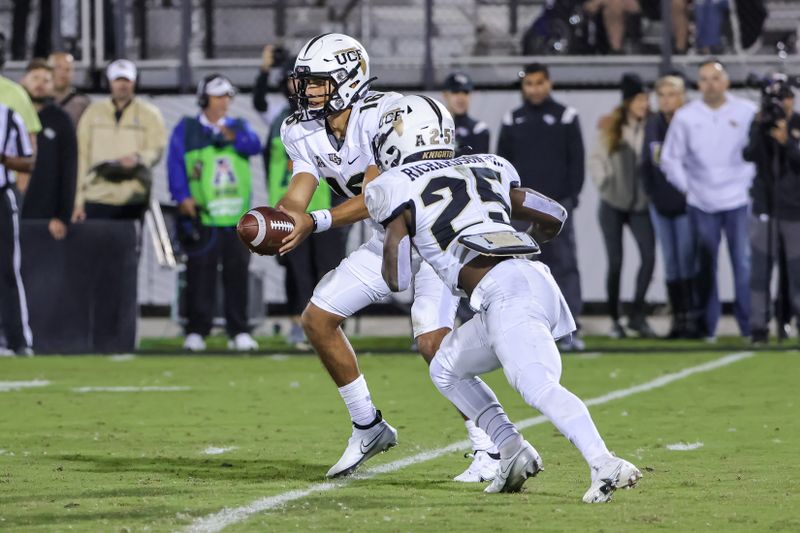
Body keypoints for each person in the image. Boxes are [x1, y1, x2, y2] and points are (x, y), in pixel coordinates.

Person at [365, 94, 642, 500]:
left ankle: (604, 462)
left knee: (537, 385)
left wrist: (399, 237)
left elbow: (397, 280)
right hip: (526, 281)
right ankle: (511, 450)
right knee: (445, 367)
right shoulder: (487, 165)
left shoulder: (394, 187)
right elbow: (553, 214)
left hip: (507, 293)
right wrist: (518, 243)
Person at [276, 33, 500, 482]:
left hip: (429, 233)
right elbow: (300, 190)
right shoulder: (298, 128)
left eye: (318, 82)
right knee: (318, 318)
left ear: (347, 79)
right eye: (305, 83)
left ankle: (491, 446)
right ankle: (368, 426)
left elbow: (379, 196)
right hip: (387, 240)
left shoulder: (389, 114)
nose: (307, 92)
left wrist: (314, 223)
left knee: (433, 342)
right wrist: (276, 223)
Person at [254, 55, 346, 349]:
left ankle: (327, 326)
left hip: (323, 204)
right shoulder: (280, 119)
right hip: (291, 207)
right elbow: (259, 104)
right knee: (297, 272)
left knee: (327, 269)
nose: (299, 86)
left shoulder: (325, 116)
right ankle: (299, 324)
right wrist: (264, 69)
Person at [661, 60, 756, 341]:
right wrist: (689, 190)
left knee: (743, 264)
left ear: (726, 81)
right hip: (701, 201)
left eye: (715, 78)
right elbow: (670, 158)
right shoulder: (687, 116)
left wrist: (748, 184)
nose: (710, 84)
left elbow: (758, 153)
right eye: (704, 79)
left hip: (739, 199)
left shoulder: (747, 111)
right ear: (698, 84)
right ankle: (707, 327)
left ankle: (751, 327)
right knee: (705, 266)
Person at [168, 74, 262, 352]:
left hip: (236, 217)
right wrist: (182, 196)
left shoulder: (238, 126)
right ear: (204, 99)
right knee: (200, 275)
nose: (224, 102)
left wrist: (231, 136)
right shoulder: (186, 128)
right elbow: (175, 163)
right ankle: (197, 330)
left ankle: (239, 330)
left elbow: (254, 145)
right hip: (203, 214)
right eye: (218, 96)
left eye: (227, 96)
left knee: (237, 275)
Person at [497, 63, 585, 350]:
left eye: (538, 83)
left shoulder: (566, 116)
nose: (534, 89)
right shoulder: (513, 119)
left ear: (549, 84)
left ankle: (570, 330)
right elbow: (503, 165)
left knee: (564, 264)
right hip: (522, 210)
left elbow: (577, 162)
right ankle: (520, 327)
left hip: (556, 205)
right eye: (529, 84)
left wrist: (569, 199)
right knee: (519, 267)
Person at [589, 73, 656, 338]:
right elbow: (596, 159)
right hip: (613, 203)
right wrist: (605, 183)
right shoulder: (612, 127)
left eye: (646, 98)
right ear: (628, 101)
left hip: (640, 204)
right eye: (639, 98)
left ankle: (638, 314)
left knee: (649, 257)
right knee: (615, 262)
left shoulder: (653, 125)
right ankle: (616, 318)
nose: (644, 103)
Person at [742, 76, 800, 344]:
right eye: (777, 97)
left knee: (797, 272)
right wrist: (758, 126)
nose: (783, 102)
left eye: (786, 95)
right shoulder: (760, 124)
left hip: (795, 211)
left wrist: (787, 141)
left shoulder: (798, 123)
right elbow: (750, 154)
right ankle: (759, 328)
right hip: (765, 207)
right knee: (760, 273)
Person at [73, 59, 166, 221]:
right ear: (109, 82)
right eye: (118, 80)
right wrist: (78, 201)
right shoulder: (93, 112)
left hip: (133, 197)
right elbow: (82, 156)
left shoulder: (150, 114)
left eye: (126, 80)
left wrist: (138, 158)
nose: (122, 85)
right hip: (97, 196)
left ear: (135, 81)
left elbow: (156, 148)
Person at [641, 74, 698, 338]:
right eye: (662, 94)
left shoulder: (692, 121)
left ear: (683, 96)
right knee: (672, 263)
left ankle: (693, 319)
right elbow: (646, 163)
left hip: (687, 201)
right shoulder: (653, 124)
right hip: (661, 202)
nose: (666, 100)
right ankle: (678, 319)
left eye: (672, 94)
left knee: (688, 261)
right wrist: (652, 195)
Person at [19, 59, 77, 241]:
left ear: (53, 85)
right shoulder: (12, 114)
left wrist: (62, 216)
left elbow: (69, 169)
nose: (40, 84)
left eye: (46, 80)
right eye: (35, 78)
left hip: (46, 216)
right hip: (12, 208)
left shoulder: (61, 120)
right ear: (23, 80)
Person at [0, 102, 36, 356]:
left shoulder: (8, 115)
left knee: (7, 268)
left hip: (1, 195)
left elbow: (28, 161)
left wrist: (4, 159)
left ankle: (18, 339)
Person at [441, 72, 489, 156]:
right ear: (445, 95)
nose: (461, 98)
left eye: (465, 92)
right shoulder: (435, 127)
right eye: (455, 92)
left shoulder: (478, 129)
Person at [48, 52, 91, 126]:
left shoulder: (82, 103)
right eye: (58, 68)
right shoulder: (38, 100)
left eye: (68, 69)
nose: (63, 73)